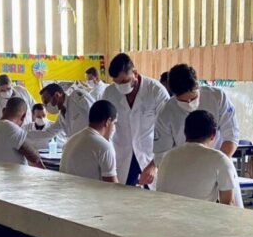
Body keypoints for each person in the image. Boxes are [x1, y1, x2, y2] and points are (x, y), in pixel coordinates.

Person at [152, 64, 239, 168]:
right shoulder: (166, 112)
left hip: (218, 162)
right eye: (183, 101)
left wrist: (218, 165)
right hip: (183, 166)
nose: (189, 103)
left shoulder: (218, 98)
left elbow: (231, 136)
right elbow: (161, 153)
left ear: (197, 86)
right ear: (174, 95)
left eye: (193, 98)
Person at [101, 53, 169, 186]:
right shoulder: (110, 93)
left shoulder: (156, 91)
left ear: (135, 73)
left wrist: (154, 164)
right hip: (121, 154)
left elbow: (167, 131)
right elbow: (103, 127)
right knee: (121, 194)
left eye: (124, 82)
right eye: (116, 83)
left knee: (151, 194)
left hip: (149, 154)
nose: (120, 86)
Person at [157, 110, 242, 207]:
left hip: (166, 214)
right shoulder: (220, 159)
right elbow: (228, 204)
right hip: (199, 216)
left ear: (185, 132)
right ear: (213, 134)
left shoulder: (168, 156)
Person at [59, 100, 118, 183]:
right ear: (108, 122)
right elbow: (112, 186)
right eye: (114, 123)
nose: (114, 128)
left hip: (66, 190)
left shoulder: (71, 140)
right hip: (86, 191)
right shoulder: (104, 147)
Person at [0, 97, 45, 168]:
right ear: (23, 116)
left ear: (3, 111)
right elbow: (35, 159)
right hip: (9, 175)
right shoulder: (10, 128)